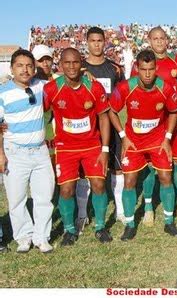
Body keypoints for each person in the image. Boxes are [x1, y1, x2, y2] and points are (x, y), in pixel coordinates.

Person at [108, 49, 177, 239]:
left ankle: (169, 221)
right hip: (134, 142)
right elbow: (111, 110)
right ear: (137, 69)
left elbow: (173, 111)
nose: (147, 74)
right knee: (130, 181)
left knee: (166, 177)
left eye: (151, 69)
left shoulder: (165, 88)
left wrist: (167, 138)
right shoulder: (125, 87)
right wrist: (123, 136)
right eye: (143, 69)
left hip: (158, 140)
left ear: (156, 68)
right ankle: (131, 224)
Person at [43, 47, 112, 246]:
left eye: (75, 62)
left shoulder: (94, 86)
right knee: (66, 189)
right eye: (67, 63)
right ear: (61, 65)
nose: (71, 66)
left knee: (99, 185)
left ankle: (100, 227)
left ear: (81, 64)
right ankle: (70, 230)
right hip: (65, 147)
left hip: (92, 146)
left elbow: (103, 117)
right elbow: (39, 113)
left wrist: (105, 149)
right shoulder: (51, 89)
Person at [130, 26, 177, 226]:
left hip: (172, 118)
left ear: (167, 40)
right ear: (149, 39)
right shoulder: (139, 64)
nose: (159, 42)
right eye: (155, 38)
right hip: (151, 122)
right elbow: (134, 89)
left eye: (162, 38)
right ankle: (148, 207)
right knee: (149, 165)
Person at [0, 49, 55, 253]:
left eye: (29, 65)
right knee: (16, 199)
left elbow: (63, 82)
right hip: (14, 152)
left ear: (35, 68)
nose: (25, 69)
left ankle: (42, 236)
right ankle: (24, 237)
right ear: (12, 68)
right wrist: (1, 154)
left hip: (40, 151)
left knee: (44, 196)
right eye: (20, 65)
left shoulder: (42, 87)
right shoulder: (3, 93)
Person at [75, 26, 126, 234]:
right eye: (92, 40)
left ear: (104, 42)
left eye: (99, 40)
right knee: (83, 173)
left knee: (117, 168)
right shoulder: (79, 68)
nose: (96, 44)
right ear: (86, 42)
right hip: (87, 127)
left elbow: (122, 95)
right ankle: (81, 214)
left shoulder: (115, 69)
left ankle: (120, 210)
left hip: (111, 125)